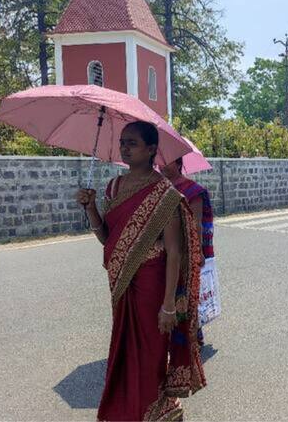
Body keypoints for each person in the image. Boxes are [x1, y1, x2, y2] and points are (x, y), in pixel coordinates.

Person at [76, 121, 206, 421]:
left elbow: (174, 252)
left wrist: (169, 305)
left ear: (151, 150)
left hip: (153, 282)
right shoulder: (114, 187)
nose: (125, 147)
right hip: (121, 281)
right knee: (124, 348)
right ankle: (128, 407)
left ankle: (159, 405)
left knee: (151, 350)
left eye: (132, 143)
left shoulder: (165, 194)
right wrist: (91, 208)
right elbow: (108, 239)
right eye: (123, 142)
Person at [161, 156, 215, 346]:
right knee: (166, 293)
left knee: (184, 296)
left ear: (177, 163)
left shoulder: (192, 190)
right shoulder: (159, 188)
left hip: (185, 250)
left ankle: (191, 339)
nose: (160, 164)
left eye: (165, 161)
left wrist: (198, 251)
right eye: (158, 161)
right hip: (164, 250)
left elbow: (196, 224)